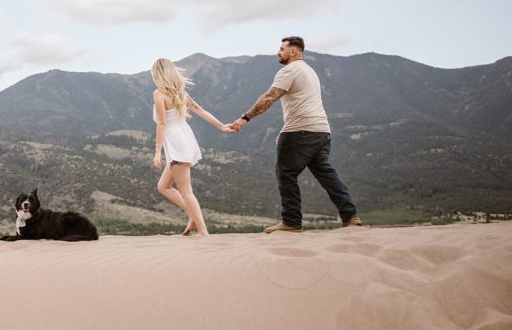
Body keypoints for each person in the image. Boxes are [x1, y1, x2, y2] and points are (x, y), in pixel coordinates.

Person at [228, 36, 362, 233]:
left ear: (293, 51)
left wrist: (244, 118)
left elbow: (269, 98)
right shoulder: (309, 71)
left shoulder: (289, 70)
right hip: (321, 131)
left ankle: (291, 222)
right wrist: (286, 131)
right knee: (326, 174)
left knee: (286, 173)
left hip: (301, 130)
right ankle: (350, 216)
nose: (278, 52)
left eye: (282, 49)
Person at [151, 58, 235, 237]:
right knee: (163, 186)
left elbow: (162, 124)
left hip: (175, 143)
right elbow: (201, 110)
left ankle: (203, 230)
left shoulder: (159, 94)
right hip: (185, 138)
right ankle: (193, 217)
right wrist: (221, 126)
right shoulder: (180, 93)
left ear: (157, 75)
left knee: (186, 191)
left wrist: (158, 151)